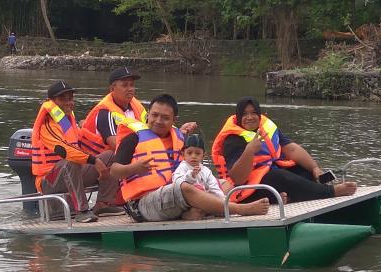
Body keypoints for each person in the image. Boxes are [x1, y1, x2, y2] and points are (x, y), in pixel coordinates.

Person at [107, 94, 270, 223]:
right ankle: (239, 210)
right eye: (154, 115)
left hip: (171, 195)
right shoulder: (133, 138)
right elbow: (114, 171)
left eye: (165, 118)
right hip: (141, 205)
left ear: (173, 121)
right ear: (148, 115)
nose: (158, 121)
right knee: (185, 187)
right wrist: (134, 168)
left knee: (221, 182)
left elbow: (189, 168)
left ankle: (194, 212)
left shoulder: (178, 137)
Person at [81, 67, 197, 214]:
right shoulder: (105, 113)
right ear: (112, 88)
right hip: (99, 166)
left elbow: (154, 130)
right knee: (115, 156)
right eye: (124, 85)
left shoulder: (137, 108)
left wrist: (178, 135)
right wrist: (146, 153)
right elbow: (116, 144)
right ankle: (103, 203)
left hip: (130, 163)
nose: (130, 89)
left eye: (132, 85)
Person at [211, 97, 357, 204]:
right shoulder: (232, 139)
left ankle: (288, 195)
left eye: (254, 113)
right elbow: (238, 179)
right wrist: (249, 151)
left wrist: (315, 169)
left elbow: (292, 149)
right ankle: (331, 192)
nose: (250, 117)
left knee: (302, 170)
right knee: (280, 176)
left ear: (259, 114)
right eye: (244, 114)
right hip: (245, 189)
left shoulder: (266, 128)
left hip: (269, 175)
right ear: (238, 117)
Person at [30, 80, 108, 223]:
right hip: (48, 181)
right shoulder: (46, 126)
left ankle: (104, 204)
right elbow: (64, 150)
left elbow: (85, 143)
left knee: (110, 156)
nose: (68, 102)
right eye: (62, 99)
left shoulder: (68, 121)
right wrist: (94, 160)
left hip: (71, 174)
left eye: (70, 98)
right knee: (70, 162)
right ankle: (82, 211)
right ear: (51, 101)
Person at [169, 133, 232, 220]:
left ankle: (217, 209)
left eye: (197, 153)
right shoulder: (182, 167)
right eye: (189, 153)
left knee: (222, 186)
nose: (193, 156)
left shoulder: (206, 170)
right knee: (196, 207)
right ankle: (186, 214)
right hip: (187, 201)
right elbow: (177, 184)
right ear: (183, 154)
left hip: (202, 198)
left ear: (203, 156)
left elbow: (214, 186)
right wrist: (191, 175)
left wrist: (222, 201)